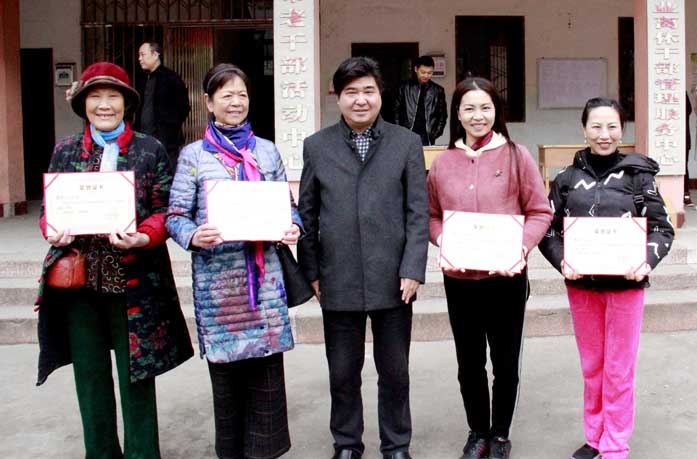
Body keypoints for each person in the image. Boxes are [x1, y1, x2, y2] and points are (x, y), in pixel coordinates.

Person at [36, 61, 194, 458]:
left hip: (134, 283)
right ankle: (101, 452)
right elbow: (49, 209)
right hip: (80, 283)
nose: (104, 105)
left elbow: (164, 208)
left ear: (127, 103)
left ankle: (143, 453)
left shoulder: (149, 149)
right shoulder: (66, 149)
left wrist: (144, 235)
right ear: (83, 103)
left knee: (136, 376)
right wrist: (51, 229)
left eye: (113, 96)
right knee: (90, 377)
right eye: (95, 96)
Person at [166, 63, 302, 459]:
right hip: (219, 290)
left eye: (241, 94)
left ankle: (265, 452)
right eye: (226, 95)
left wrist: (293, 226)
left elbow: (288, 206)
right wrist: (193, 235)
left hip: (265, 288)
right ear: (209, 103)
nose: (236, 102)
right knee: (227, 388)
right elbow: (175, 215)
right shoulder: (193, 156)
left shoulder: (266, 151)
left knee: (267, 383)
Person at [298, 56, 429, 459]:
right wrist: (312, 271)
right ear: (337, 97)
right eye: (351, 92)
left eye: (368, 91)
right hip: (337, 278)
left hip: (394, 279)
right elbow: (307, 215)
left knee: (395, 372)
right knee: (342, 372)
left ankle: (396, 445)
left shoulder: (406, 143)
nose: (360, 100)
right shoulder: (317, 146)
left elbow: (417, 213)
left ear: (380, 94)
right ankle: (347, 443)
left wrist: (413, 268)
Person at [539, 97, 675, 459]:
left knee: (619, 368)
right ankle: (595, 435)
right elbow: (548, 230)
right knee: (592, 366)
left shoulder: (638, 176)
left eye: (612, 126)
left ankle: (615, 443)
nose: (604, 134)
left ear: (622, 130)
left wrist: (645, 261)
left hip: (626, 288)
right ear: (583, 129)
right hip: (582, 287)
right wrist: (562, 261)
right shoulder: (566, 179)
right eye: (596, 126)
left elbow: (662, 228)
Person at [426, 77, 552, 459]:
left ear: (496, 111)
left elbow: (540, 211)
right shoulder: (443, 163)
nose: (477, 116)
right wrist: (444, 239)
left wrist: (520, 246)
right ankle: (477, 431)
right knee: (469, 362)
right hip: (460, 280)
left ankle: (500, 435)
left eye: (485, 107)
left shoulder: (517, 156)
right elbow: (431, 216)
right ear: (457, 113)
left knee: (505, 361)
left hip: (506, 279)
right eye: (469, 108)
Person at [136, 41, 191, 168]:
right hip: (144, 137)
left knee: (167, 172)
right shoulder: (142, 79)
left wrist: (171, 127)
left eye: (142, 54)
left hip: (167, 141)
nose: (139, 59)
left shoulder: (171, 78)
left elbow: (184, 107)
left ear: (155, 55)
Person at [393, 55, 448, 146]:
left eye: (429, 73)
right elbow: (396, 112)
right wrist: (399, 131)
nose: (426, 75)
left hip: (427, 135)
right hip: (407, 132)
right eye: (423, 72)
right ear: (416, 69)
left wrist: (435, 133)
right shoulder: (404, 87)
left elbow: (442, 115)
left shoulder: (438, 90)